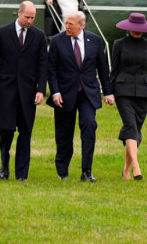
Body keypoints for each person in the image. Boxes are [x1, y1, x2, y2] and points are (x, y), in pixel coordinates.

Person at [47, 10, 114, 182]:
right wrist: (55, 92)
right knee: (64, 134)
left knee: (89, 126)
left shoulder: (95, 40)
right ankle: (62, 171)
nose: (67, 27)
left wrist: (108, 92)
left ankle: (87, 171)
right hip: (64, 94)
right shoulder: (57, 41)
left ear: (81, 25)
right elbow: (51, 70)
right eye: (66, 23)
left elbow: (102, 68)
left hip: (87, 93)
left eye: (70, 24)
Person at [0, 1, 48, 181]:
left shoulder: (38, 36)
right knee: (6, 131)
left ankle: (22, 173)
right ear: (19, 13)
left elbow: (43, 65)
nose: (30, 21)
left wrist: (41, 90)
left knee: (26, 131)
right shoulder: (2, 32)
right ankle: (4, 164)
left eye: (33, 18)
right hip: (6, 89)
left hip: (28, 91)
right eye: (27, 17)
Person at [110, 13, 147, 181]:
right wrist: (109, 92)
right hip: (122, 91)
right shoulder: (119, 44)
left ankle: (126, 169)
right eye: (134, 29)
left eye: (140, 29)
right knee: (130, 125)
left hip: (143, 92)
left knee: (135, 130)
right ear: (129, 28)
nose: (137, 31)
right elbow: (113, 70)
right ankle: (136, 167)